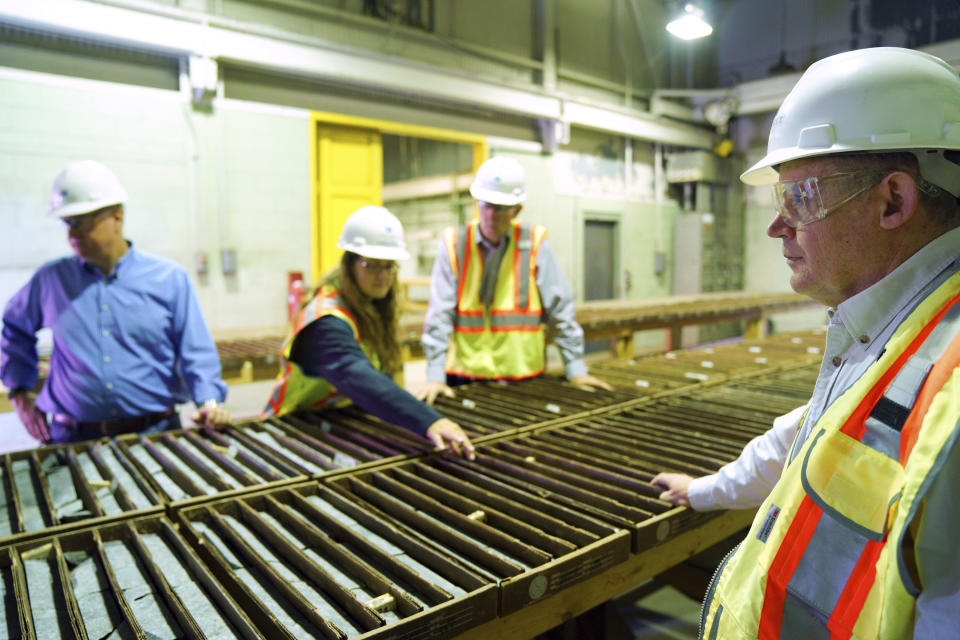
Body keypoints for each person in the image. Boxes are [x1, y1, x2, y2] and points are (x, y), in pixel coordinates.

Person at [652, 48, 960, 639]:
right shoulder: (904, 327)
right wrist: (707, 490)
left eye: (800, 197)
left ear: (893, 200)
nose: (776, 226)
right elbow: (820, 431)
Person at [1, 160, 231, 445]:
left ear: (117, 216)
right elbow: (13, 328)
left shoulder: (169, 279)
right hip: (73, 438)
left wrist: (208, 402)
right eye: (69, 223)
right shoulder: (52, 280)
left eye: (85, 223)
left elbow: (195, 350)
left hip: (155, 434)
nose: (73, 234)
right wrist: (19, 392)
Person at [263, 205, 476, 460]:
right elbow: (359, 377)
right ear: (349, 264)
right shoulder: (326, 322)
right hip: (292, 428)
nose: (382, 276)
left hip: (340, 417)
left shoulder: (368, 306)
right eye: (372, 265)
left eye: (389, 266)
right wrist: (429, 421)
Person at [416, 156, 611, 404]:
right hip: (464, 374)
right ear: (476, 202)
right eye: (485, 205)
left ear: (516, 210)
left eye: (499, 208)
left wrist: (575, 369)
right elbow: (439, 313)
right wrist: (435, 374)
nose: (490, 215)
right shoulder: (454, 244)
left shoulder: (533, 242)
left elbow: (559, 308)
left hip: (523, 374)